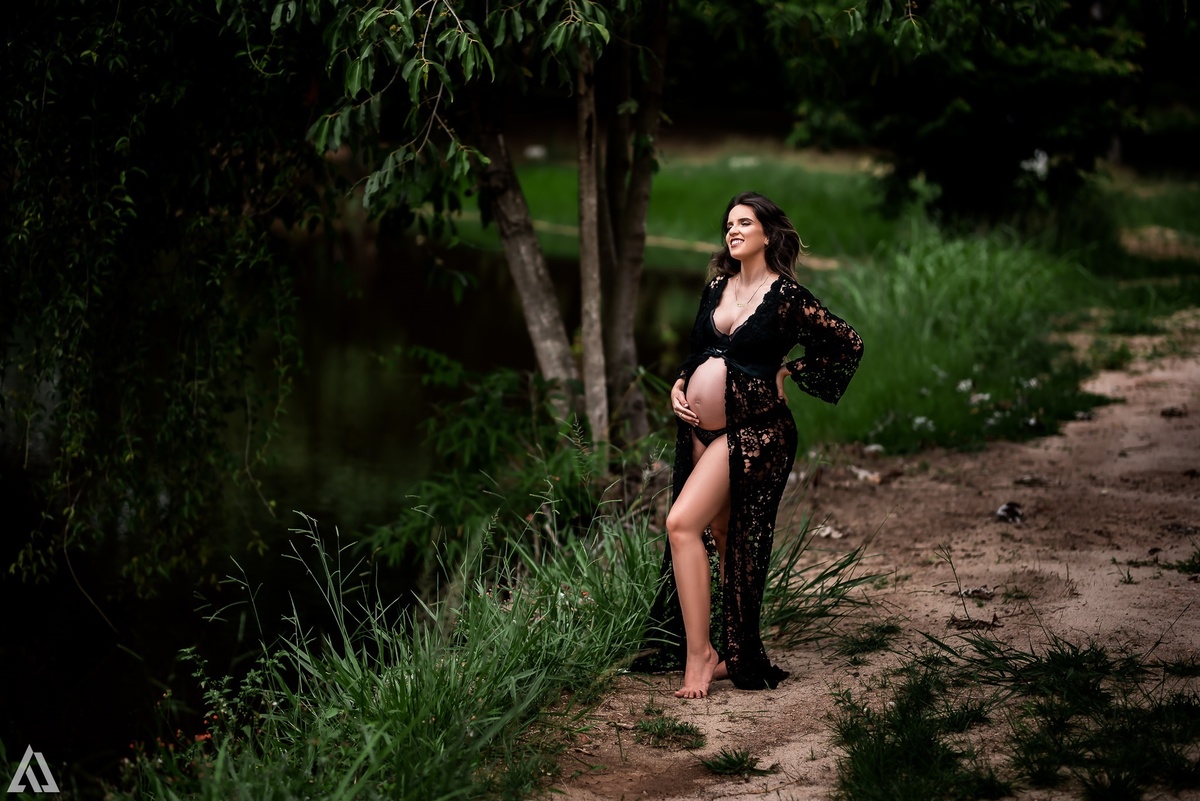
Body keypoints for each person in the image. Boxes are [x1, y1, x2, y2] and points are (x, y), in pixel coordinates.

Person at [632, 191, 863, 698]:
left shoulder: (787, 297)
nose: (733, 230)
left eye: (744, 223)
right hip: (699, 429)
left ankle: (700, 656)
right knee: (719, 536)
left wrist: (791, 370)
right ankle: (728, 647)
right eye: (728, 224)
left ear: (768, 234)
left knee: (680, 525)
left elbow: (847, 343)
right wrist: (679, 384)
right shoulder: (717, 287)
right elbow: (697, 352)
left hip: (755, 430)